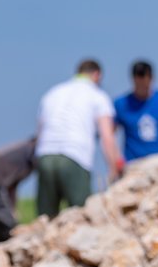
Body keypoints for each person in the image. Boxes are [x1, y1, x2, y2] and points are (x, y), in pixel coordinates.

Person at [35, 59, 120, 218]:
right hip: (75, 156)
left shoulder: (53, 92)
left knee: (45, 221)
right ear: (97, 75)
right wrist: (114, 169)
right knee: (82, 218)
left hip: (45, 155)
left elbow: (39, 131)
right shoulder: (97, 95)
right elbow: (107, 137)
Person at [114, 60, 158, 164]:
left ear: (152, 78)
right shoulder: (121, 104)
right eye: (139, 79)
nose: (143, 84)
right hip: (134, 165)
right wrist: (117, 161)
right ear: (133, 79)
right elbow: (111, 135)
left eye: (145, 78)